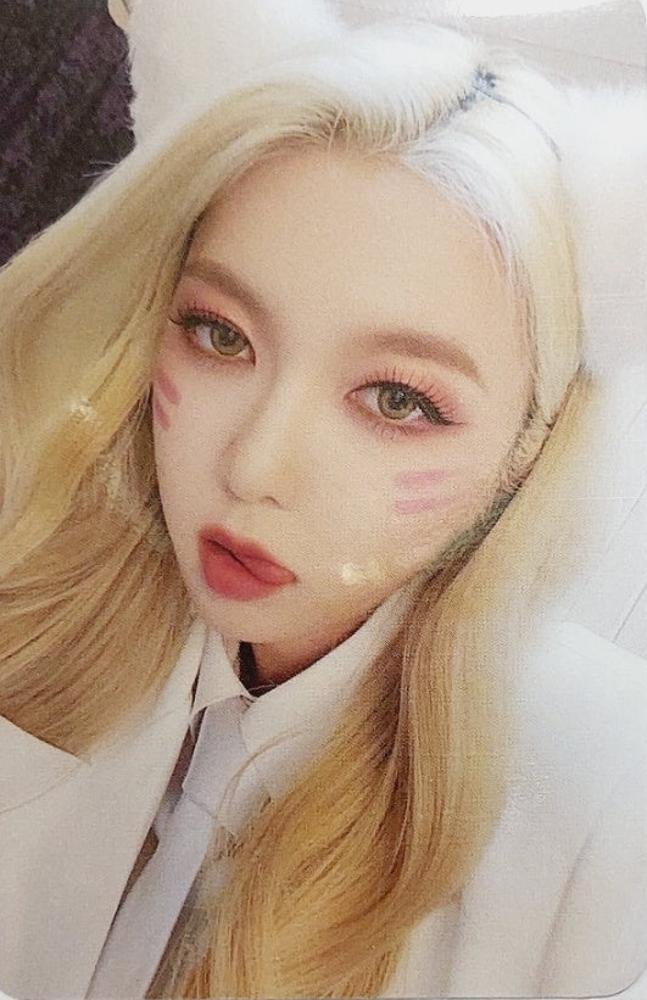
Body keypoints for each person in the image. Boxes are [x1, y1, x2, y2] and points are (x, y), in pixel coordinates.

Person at [0, 3, 646, 998]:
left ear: (527, 448)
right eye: (220, 334)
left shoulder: (608, 827)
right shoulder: (31, 597)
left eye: (397, 400)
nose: (255, 466)